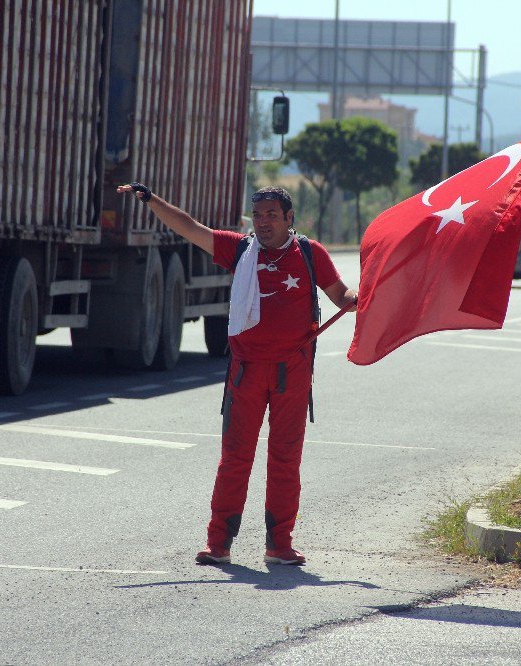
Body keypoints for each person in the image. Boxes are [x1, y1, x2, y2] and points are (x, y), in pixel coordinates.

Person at [117, 182, 357, 566]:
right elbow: (190, 227)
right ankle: (218, 544)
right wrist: (151, 200)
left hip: (291, 372)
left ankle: (279, 545)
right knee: (235, 457)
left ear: (289, 219)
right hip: (245, 371)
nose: (263, 223)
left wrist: (354, 300)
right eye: (258, 215)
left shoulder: (310, 254)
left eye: (272, 216)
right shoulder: (241, 249)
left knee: (285, 458)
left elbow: (339, 294)